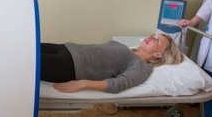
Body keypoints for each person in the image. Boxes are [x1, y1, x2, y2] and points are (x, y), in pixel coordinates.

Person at [40, 33, 183, 94]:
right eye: (153, 35)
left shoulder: (142, 67)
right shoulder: (128, 49)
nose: (151, 37)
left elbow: (119, 84)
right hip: (66, 48)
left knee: (26, 64)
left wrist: (83, 83)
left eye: (156, 40)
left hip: (69, 66)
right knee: (27, 47)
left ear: (158, 54)